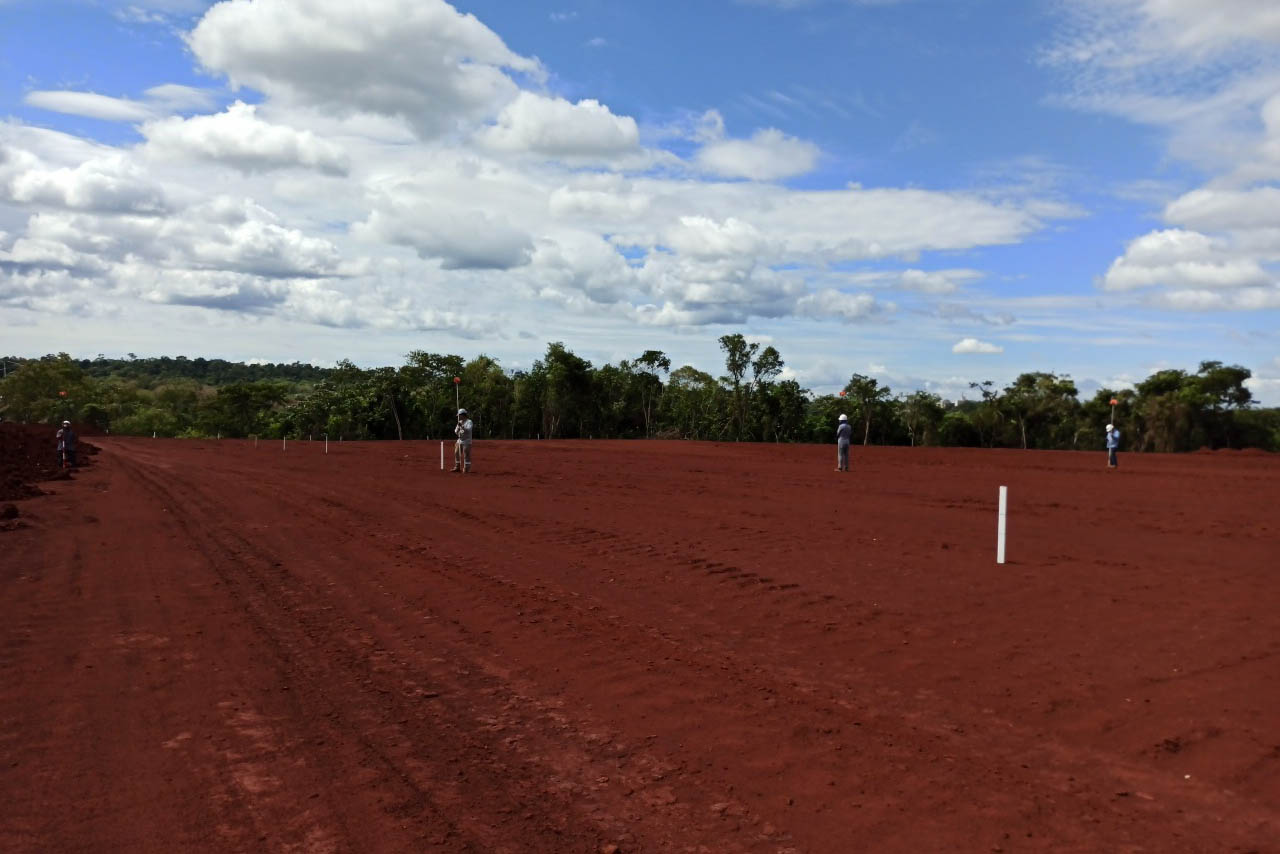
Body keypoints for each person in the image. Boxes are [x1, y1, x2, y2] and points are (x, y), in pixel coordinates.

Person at [452, 408, 473, 473]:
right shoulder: (459, 422)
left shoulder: (469, 422)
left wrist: (462, 426)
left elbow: (469, 429)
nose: (458, 417)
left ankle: (466, 468)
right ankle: (457, 466)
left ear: (462, 415)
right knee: (456, 452)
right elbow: (455, 431)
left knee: (466, 454)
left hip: (467, 440)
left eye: (459, 415)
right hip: (460, 440)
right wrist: (458, 429)